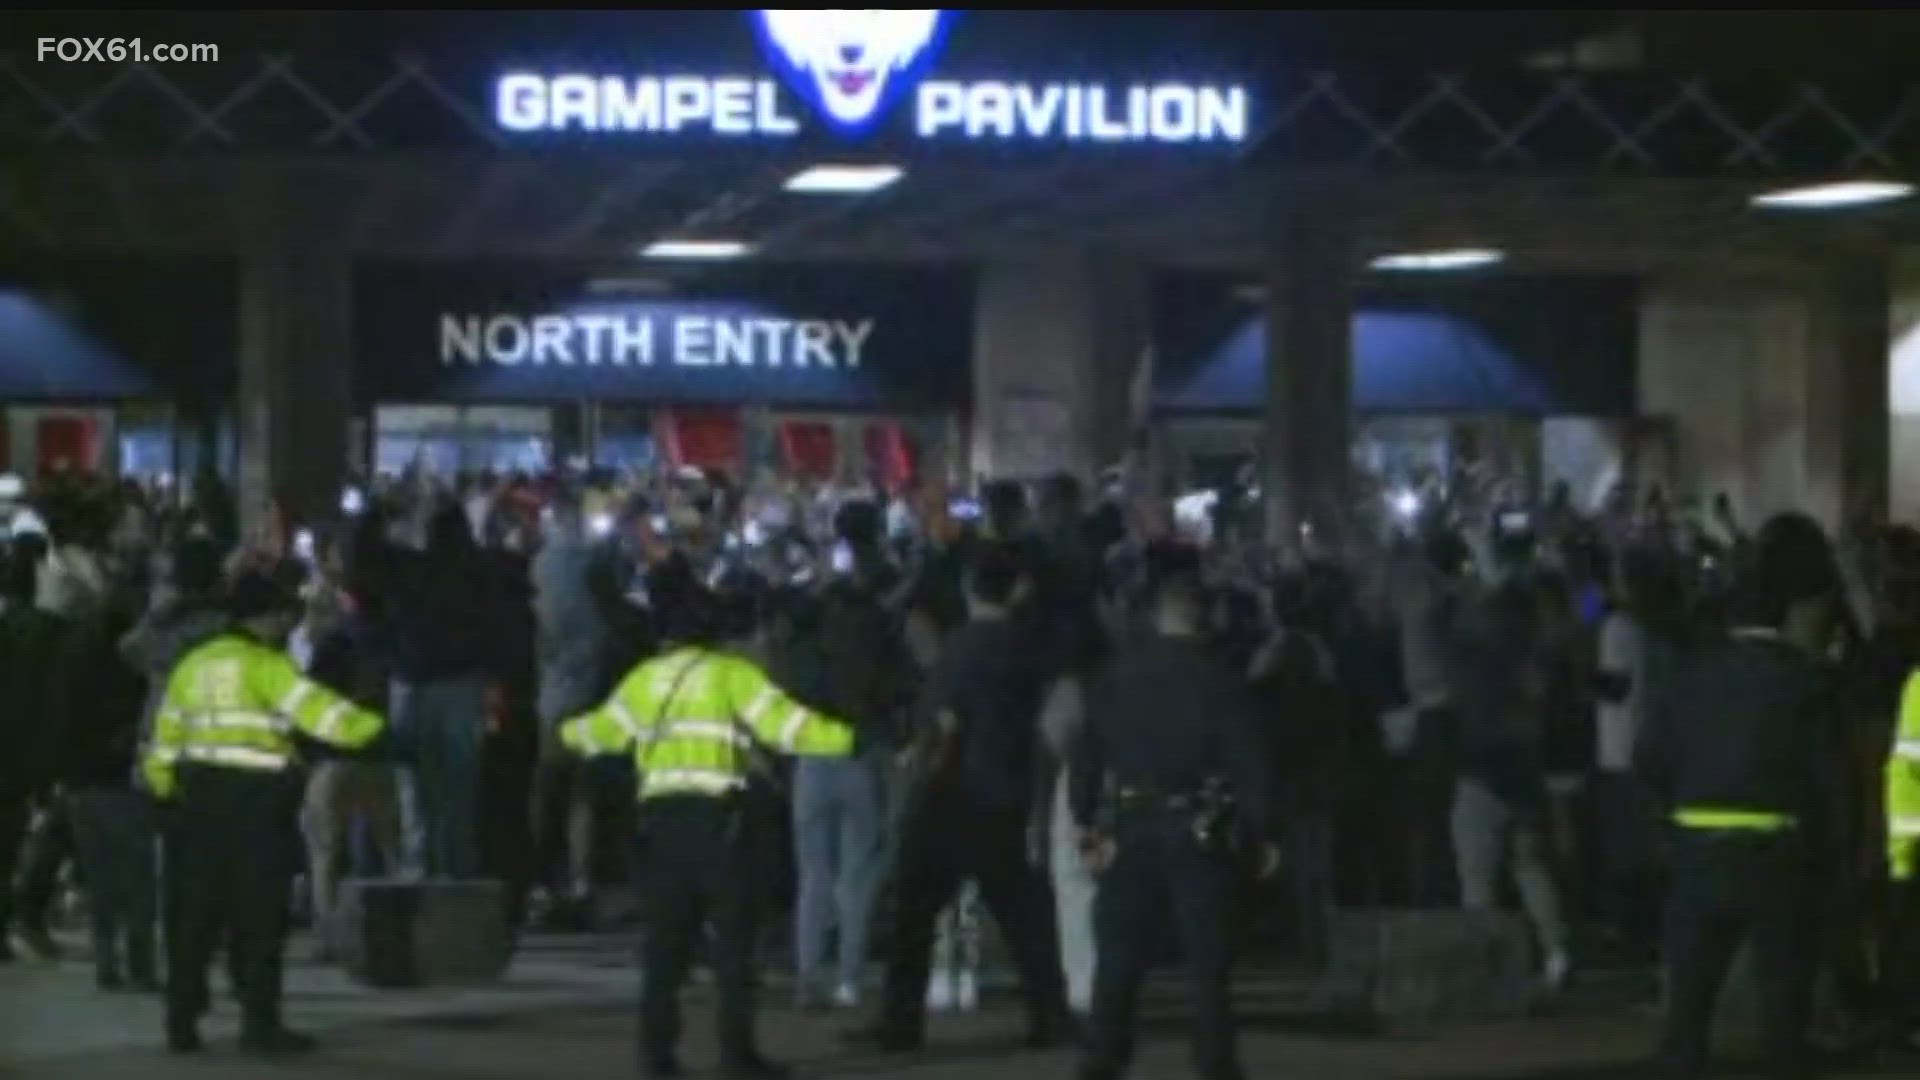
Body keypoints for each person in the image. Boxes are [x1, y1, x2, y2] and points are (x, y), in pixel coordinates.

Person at [556, 581, 857, 1080]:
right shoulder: (731, 675)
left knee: (664, 950)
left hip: (659, 825)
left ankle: (656, 1056)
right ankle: (736, 1055)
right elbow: (788, 727)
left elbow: (600, 731)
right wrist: (851, 738)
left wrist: (564, 732)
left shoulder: (644, 679)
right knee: (735, 946)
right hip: (721, 825)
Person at [143, 564, 389, 1054]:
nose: (284, 626)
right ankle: (259, 1025)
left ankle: (181, 1020)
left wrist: (166, 790)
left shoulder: (192, 666)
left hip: (194, 803)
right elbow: (319, 712)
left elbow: (164, 739)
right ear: (266, 618)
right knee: (256, 916)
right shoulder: (265, 665)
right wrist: (378, 730)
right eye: (281, 616)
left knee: (191, 915)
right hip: (254, 807)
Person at [1637, 512, 1843, 1080]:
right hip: (1777, 853)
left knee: (1688, 1014)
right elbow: (1826, 775)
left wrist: (1672, 825)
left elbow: (1649, 759)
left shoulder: (1689, 674)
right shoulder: (1804, 679)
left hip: (1696, 852)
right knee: (1783, 1016)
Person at [1071, 543, 1277, 1080]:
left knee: (1118, 955)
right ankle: (1214, 1061)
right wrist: (1262, 833)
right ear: (1200, 619)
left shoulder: (1112, 677)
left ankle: (1103, 1054)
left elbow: (1086, 754)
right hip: (1196, 826)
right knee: (1207, 959)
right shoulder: (1220, 682)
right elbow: (1249, 765)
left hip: (1128, 820)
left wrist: (1085, 819)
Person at [855, 544, 1071, 1053]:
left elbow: (945, 722)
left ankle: (900, 1023)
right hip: (1006, 791)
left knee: (915, 914)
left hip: (952, 794)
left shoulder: (961, 648)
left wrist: (923, 770)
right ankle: (1051, 1015)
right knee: (1023, 916)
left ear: (970, 590)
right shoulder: (1028, 648)